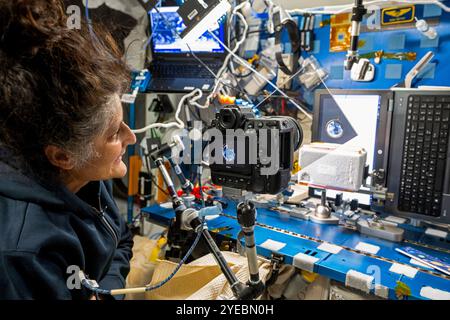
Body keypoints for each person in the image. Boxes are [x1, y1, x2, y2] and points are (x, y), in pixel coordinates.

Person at [0, 0, 137, 299]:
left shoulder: (87, 177)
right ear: (62, 156)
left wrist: (104, 292)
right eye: (115, 133)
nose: (132, 138)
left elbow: (121, 239)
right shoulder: (22, 251)